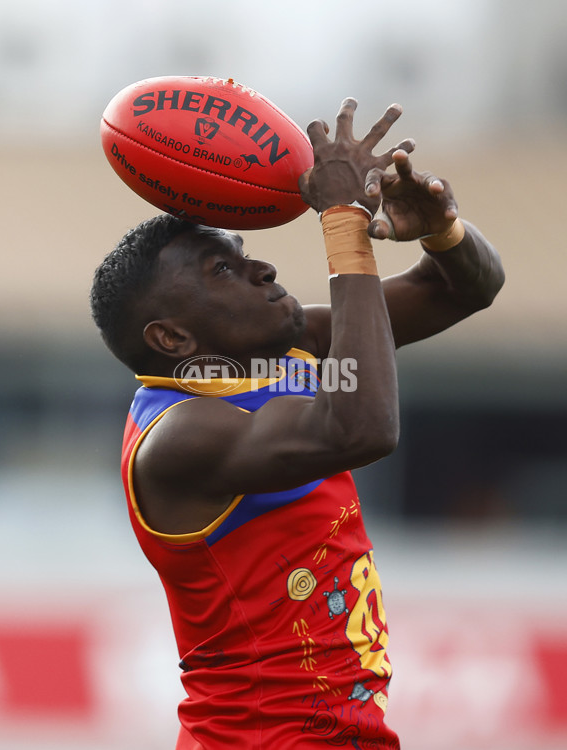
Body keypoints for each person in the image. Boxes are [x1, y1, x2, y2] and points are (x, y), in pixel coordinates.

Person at [90, 99, 504, 749]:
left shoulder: (282, 350)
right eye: (222, 270)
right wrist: (343, 222)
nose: (264, 269)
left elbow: (464, 289)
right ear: (172, 336)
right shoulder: (181, 436)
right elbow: (362, 427)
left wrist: (442, 230)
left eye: (242, 253)